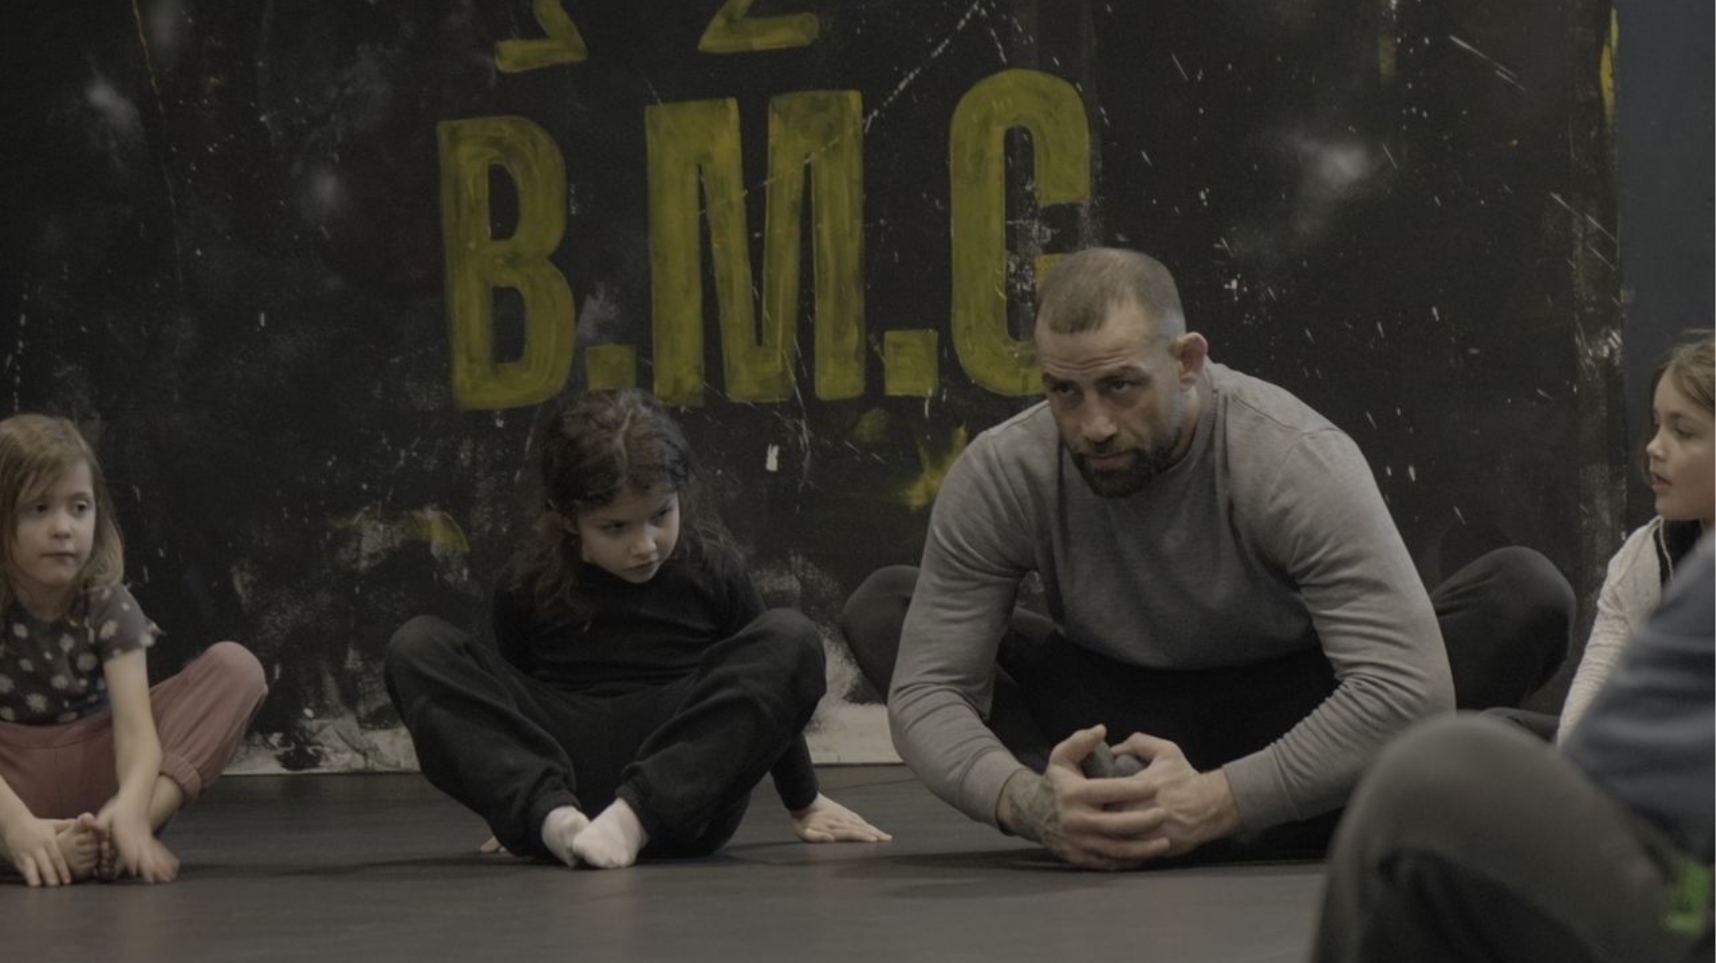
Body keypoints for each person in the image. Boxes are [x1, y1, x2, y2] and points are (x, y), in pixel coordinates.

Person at [841, 248, 1572, 869]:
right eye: (1065, 391)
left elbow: (1403, 688)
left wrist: (1218, 800)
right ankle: (1105, 811)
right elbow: (929, 690)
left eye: (1120, 386)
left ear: (1187, 362)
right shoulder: (1006, 469)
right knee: (887, 606)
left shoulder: (1290, 458)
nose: (1093, 425)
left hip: (1298, 706)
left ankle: (1190, 818)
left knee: (1521, 594)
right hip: (1109, 711)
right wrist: (1030, 804)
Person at [385, 389, 888, 870]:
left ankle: (632, 821)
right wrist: (522, 805)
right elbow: (510, 710)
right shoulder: (526, 581)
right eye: (615, 528)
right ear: (568, 519)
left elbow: (770, 699)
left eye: (660, 516)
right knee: (416, 647)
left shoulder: (712, 567)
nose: (644, 545)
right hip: (570, 779)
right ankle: (556, 824)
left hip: (684, 787)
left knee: (791, 637)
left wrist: (804, 801)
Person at [1313, 530, 1716, 963]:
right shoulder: (1644, 555)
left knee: (1425, 784)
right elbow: (1586, 743)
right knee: (1478, 750)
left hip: (1681, 884)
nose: (1656, 465)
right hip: (1658, 844)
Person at [0, 414, 267, 886]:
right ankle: (30, 847)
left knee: (237, 669)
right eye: (39, 508)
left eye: (79, 508)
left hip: (97, 771)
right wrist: (14, 824)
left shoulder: (110, 605)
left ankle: (121, 833)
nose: (63, 528)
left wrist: (132, 804)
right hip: (11, 786)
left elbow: (135, 731)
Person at [1553, 332, 1716, 741]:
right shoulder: (1644, 558)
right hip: (1655, 762)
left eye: (1684, 432)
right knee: (1491, 734)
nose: (1654, 448)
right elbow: (1583, 722)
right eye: (1657, 425)